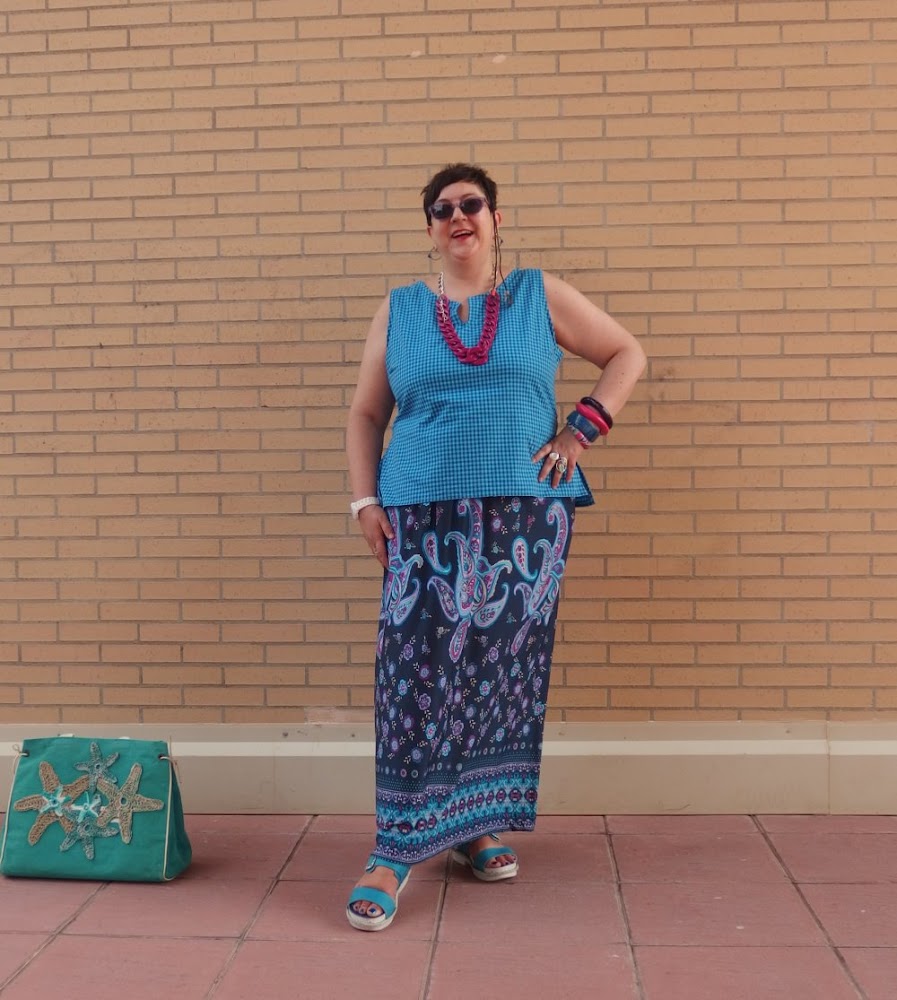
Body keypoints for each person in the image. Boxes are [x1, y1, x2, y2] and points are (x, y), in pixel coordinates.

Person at [344, 163, 646, 931]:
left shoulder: (538, 296)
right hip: (419, 518)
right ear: (428, 228)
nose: (458, 217)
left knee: (495, 675)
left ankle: (471, 825)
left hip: (523, 521)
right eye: (441, 208)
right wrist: (364, 501)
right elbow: (366, 413)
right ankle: (393, 848)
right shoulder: (401, 309)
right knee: (413, 677)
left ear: (494, 217)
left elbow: (625, 355)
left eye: (471, 204)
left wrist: (579, 433)